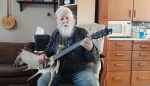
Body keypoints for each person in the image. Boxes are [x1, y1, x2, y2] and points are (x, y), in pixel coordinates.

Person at [37, 6, 100, 86]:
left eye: (67, 18)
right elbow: (48, 50)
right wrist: (43, 54)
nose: (65, 21)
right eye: (61, 19)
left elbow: (95, 58)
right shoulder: (55, 34)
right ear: (58, 21)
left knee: (89, 84)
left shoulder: (82, 33)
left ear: (72, 19)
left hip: (81, 71)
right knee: (42, 81)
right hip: (58, 71)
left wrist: (91, 49)